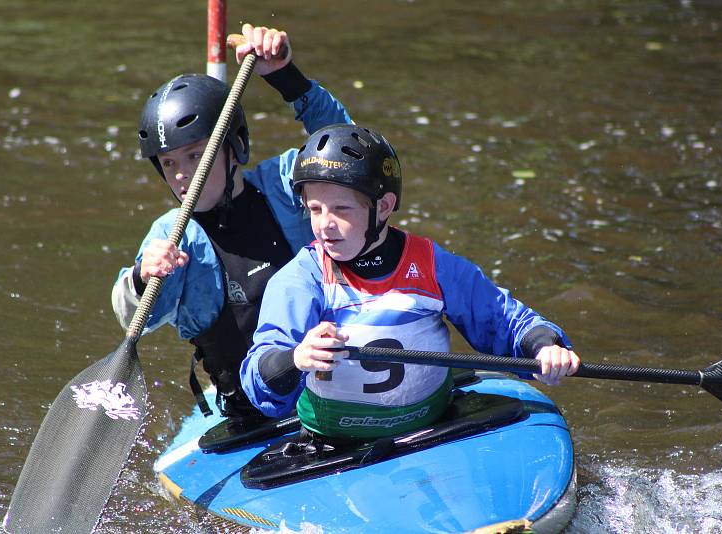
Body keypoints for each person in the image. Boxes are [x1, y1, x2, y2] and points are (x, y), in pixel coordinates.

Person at [241, 123, 581, 440]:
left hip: (430, 427)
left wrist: (544, 346)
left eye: (341, 210)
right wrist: (296, 358)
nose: (325, 225)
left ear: (384, 206)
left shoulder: (433, 265)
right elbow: (260, 376)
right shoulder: (301, 279)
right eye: (315, 209)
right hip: (336, 443)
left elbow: (503, 319)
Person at [111, 24, 353, 423]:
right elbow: (135, 316)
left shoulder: (283, 183)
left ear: (235, 145)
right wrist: (141, 275)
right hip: (255, 412)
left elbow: (346, 144)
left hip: (335, 383)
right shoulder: (174, 235)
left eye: (195, 155)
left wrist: (284, 76)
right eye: (169, 163)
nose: (183, 174)